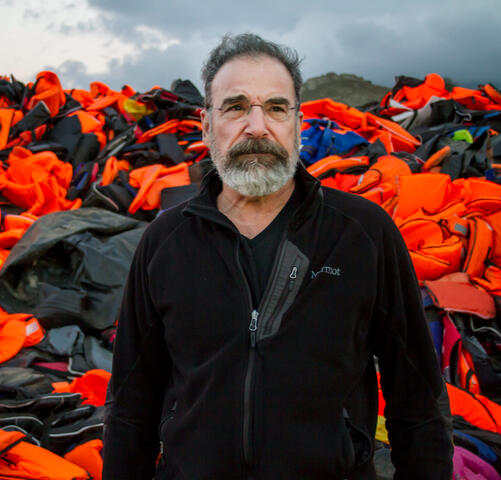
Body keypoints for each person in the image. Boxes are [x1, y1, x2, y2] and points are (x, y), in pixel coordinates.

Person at [103, 33, 453, 479]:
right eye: (234, 107)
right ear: (206, 125)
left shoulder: (363, 234)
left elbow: (418, 400)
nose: (257, 126)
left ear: (297, 123)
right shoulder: (164, 242)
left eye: (275, 107)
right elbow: (132, 405)